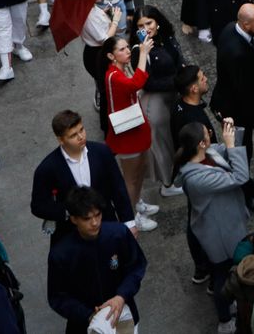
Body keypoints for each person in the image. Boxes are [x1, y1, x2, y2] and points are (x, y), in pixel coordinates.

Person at [175, 118, 252, 331]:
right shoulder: (196, 178)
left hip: (225, 221)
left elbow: (226, 150)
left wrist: (230, 131)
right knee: (222, 276)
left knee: (223, 271)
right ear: (201, 143)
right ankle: (225, 320)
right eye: (207, 132)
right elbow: (240, 176)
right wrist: (229, 144)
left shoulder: (205, 154)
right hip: (219, 233)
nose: (210, 133)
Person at [46, 186, 148, 334]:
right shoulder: (61, 254)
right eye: (87, 218)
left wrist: (121, 296)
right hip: (85, 326)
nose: (94, 222)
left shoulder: (119, 234)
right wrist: (88, 315)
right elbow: (58, 297)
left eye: (97, 215)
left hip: (124, 317)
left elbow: (136, 267)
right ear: (74, 219)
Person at [31, 109, 145, 235]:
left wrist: (129, 223)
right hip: (73, 233)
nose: (81, 137)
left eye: (82, 130)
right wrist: (69, 211)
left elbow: (118, 188)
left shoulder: (102, 152)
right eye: (73, 135)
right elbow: (38, 206)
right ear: (61, 140)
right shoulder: (48, 168)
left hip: (107, 224)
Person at [213, 3, 254, 214]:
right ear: (246, 25)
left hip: (229, 98)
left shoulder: (231, 28)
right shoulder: (238, 54)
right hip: (236, 111)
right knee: (242, 151)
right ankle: (246, 192)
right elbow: (242, 93)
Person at [101, 32, 158, 227]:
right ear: (111, 55)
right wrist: (142, 54)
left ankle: (137, 203)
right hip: (127, 133)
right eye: (122, 49)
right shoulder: (113, 76)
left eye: (127, 47)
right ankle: (131, 217)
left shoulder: (121, 68)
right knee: (130, 179)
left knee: (140, 170)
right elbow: (136, 83)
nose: (127, 51)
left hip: (135, 127)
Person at [134, 7, 184, 198]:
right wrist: (177, 82)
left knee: (174, 138)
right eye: (140, 25)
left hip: (173, 96)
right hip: (156, 103)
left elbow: (178, 59)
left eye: (149, 23)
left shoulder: (167, 37)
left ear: (157, 22)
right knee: (162, 144)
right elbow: (148, 81)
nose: (146, 28)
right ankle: (167, 183)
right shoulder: (139, 50)